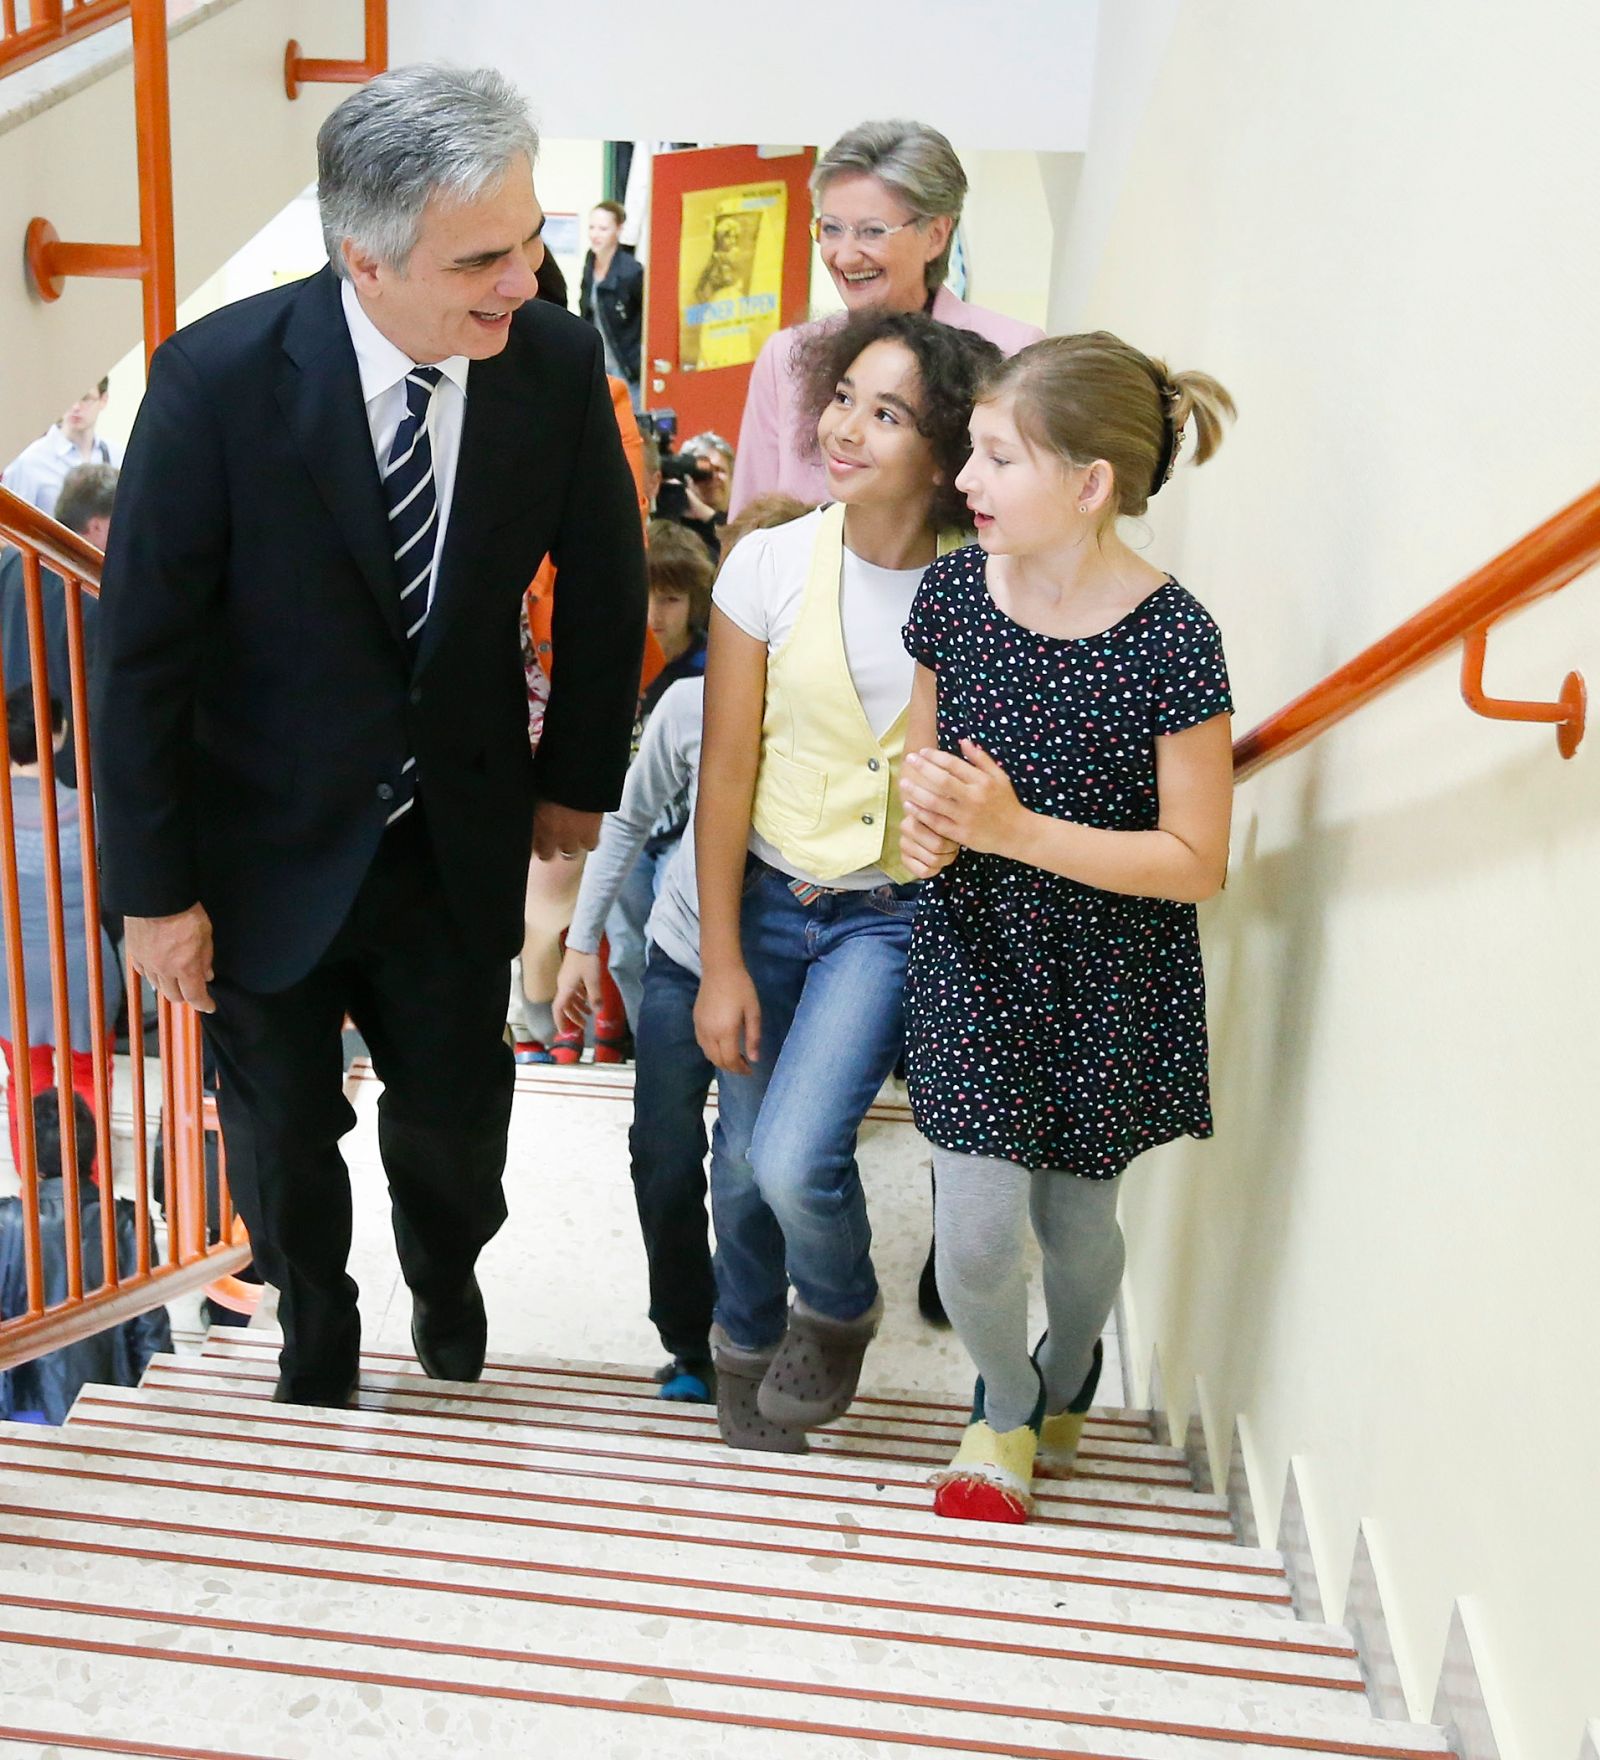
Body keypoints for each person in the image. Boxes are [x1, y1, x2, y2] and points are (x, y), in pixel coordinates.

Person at [89, 65, 648, 1408]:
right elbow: (142, 654)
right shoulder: (216, 379)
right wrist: (153, 893)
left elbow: (610, 571)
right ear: (366, 259)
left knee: (456, 1126)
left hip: (450, 831)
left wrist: (577, 782)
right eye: (483, 258)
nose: (525, 279)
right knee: (281, 1134)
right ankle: (316, 1326)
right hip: (257, 841)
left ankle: (445, 1275)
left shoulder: (556, 367)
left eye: (529, 238)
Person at [895, 332, 1236, 1522]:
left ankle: (1073, 1364)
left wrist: (1009, 826)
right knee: (977, 1236)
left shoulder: (1174, 639)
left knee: (1076, 1221)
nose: (965, 480)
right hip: (975, 953)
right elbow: (922, 777)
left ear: (1088, 484)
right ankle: (1003, 1400)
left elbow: (1198, 860)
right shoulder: (948, 597)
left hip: (1111, 969)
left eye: (996, 457)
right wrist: (926, 826)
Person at [693, 310, 1000, 1452]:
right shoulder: (766, 561)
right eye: (843, 399)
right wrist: (721, 956)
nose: (847, 428)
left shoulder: (982, 585)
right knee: (737, 1167)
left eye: (888, 413)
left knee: (793, 1152)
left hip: (890, 916)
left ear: (944, 452)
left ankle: (835, 1305)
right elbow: (725, 773)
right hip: (769, 897)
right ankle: (740, 1351)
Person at [554, 494, 807, 1402]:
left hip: (775, 967)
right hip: (680, 956)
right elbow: (624, 822)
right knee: (662, 1153)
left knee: (747, 1169)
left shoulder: (839, 709)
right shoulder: (691, 707)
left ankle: (748, 1332)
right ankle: (686, 1336)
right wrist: (581, 943)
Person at [730, 120, 1043, 514]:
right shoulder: (787, 357)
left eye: (872, 232)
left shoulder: (1012, 354)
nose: (844, 256)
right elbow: (751, 521)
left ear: (936, 235)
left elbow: (1027, 517)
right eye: (831, 229)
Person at [0, 686, 121, 1175]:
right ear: (60, 734)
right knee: (88, 1075)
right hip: (83, 965)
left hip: (12, 971)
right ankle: (88, 1186)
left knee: (25, 1079)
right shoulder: (89, 809)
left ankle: (38, 1187)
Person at [0, 1092, 171, 1425]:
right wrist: (158, 1407)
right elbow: (150, 1325)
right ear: (92, 1151)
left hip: (24, 1401)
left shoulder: (8, 1222)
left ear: (30, 1155)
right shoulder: (126, 1221)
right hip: (107, 1396)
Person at [0, 461, 115, 789]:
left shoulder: (12, 559)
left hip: (14, 765)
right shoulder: (92, 591)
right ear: (97, 525)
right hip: (69, 778)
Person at [2, 380, 122, 520]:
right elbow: (9, 527)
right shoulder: (28, 461)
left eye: (85, 398)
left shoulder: (118, 456)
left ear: (103, 400)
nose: (76, 406)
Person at [580, 200, 644, 406]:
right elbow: (586, 309)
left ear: (618, 229)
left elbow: (646, 319)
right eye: (592, 227)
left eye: (603, 228)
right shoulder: (590, 260)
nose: (595, 234)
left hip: (626, 366)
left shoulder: (631, 271)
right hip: (598, 362)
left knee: (629, 427)